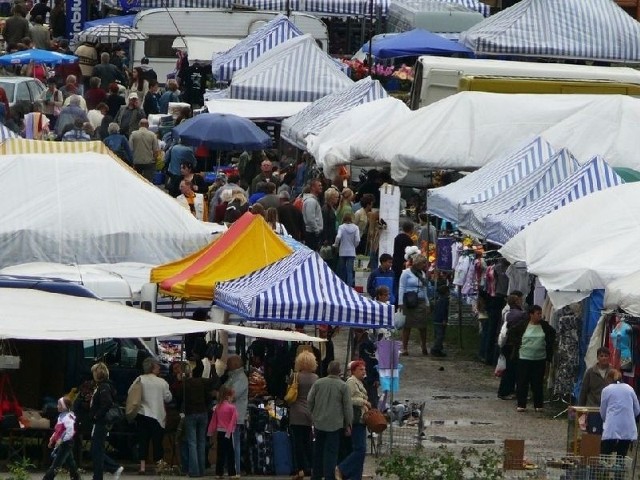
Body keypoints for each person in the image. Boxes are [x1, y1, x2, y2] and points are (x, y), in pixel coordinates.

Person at [308, 360, 353, 480]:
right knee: (331, 453)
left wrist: (313, 414)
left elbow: (309, 400)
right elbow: (347, 407)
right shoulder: (343, 386)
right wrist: (348, 424)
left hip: (319, 422)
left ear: (328, 370)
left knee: (318, 451)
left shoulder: (318, 383)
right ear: (339, 372)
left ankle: (316, 476)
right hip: (335, 424)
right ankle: (329, 476)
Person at [506, 305, 556, 412]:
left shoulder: (544, 325)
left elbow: (552, 333)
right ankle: (521, 404)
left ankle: (538, 404)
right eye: (537, 314)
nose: (540, 316)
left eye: (540, 313)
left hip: (539, 358)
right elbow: (511, 332)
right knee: (522, 381)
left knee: (537, 382)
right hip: (524, 357)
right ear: (531, 314)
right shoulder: (523, 325)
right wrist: (517, 344)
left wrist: (548, 346)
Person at [174, 362, 217, 478]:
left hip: (190, 414)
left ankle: (194, 471)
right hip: (202, 413)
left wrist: (179, 381)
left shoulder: (184, 384)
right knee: (202, 442)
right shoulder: (202, 382)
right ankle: (202, 470)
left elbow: (178, 397)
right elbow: (214, 384)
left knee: (192, 443)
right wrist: (213, 367)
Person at [133, 357, 172, 475]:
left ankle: (142, 467)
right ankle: (158, 465)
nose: (159, 367)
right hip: (157, 415)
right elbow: (168, 398)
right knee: (157, 442)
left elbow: (131, 392)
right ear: (152, 367)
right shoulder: (162, 382)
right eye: (157, 365)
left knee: (143, 440)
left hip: (142, 414)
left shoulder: (139, 379)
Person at [89, 363, 124, 480]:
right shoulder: (106, 386)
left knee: (96, 449)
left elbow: (107, 403)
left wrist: (96, 415)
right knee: (96, 449)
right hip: (102, 422)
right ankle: (99, 475)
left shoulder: (103, 387)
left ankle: (113, 468)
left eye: (94, 372)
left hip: (101, 422)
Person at [336, 361, 370, 480]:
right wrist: (364, 402)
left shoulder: (359, 382)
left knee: (360, 450)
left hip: (361, 418)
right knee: (360, 449)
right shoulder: (351, 382)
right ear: (354, 371)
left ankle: (355, 476)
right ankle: (342, 468)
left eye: (364, 369)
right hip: (355, 419)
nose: (364, 371)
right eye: (361, 369)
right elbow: (348, 399)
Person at [289, 350, 319, 480]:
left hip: (296, 412)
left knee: (298, 443)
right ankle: (313, 467)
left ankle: (300, 469)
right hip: (310, 413)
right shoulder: (316, 378)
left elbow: (289, 392)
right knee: (308, 442)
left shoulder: (296, 376)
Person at [600, 369, 640, 462]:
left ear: (608, 379)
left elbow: (603, 410)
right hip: (627, 427)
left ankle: (604, 474)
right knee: (621, 456)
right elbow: (637, 409)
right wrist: (629, 416)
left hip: (612, 427)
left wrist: (606, 420)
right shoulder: (630, 388)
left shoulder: (606, 390)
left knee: (605, 453)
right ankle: (618, 474)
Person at [398, 254, 430, 356]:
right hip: (409, 300)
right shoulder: (406, 273)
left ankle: (424, 346)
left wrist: (427, 302)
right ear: (417, 263)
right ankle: (404, 347)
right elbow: (401, 287)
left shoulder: (422, 274)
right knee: (407, 325)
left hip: (420, 300)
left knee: (423, 325)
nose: (424, 265)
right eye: (423, 263)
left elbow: (424, 288)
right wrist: (400, 302)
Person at [497, 292, 527, 400]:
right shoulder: (518, 314)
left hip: (507, 344)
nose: (522, 301)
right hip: (512, 345)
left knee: (509, 369)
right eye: (520, 299)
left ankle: (507, 390)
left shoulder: (508, 312)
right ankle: (505, 391)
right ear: (516, 301)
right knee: (511, 369)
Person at [578, 346, 614, 434]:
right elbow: (584, 391)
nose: (604, 358)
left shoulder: (613, 372)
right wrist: (580, 408)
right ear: (598, 357)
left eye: (606, 356)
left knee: (606, 433)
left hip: (608, 408)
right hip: (593, 407)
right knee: (593, 433)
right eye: (601, 356)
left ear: (609, 357)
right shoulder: (590, 372)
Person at [43, 397, 80, 480]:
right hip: (63, 442)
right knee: (71, 463)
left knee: (56, 464)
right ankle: (76, 478)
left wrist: (61, 440)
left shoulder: (68, 417)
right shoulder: (61, 416)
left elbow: (70, 431)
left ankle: (47, 478)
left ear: (65, 406)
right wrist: (52, 439)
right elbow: (58, 430)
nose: (57, 406)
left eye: (59, 404)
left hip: (66, 442)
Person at [223, 355, 248, 476]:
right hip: (229, 415)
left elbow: (232, 395)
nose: (227, 366)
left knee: (234, 443)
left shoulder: (241, 378)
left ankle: (236, 469)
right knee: (232, 442)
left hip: (235, 415)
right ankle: (232, 468)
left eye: (228, 364)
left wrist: (220, 394)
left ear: (235, 365)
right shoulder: (233, 377)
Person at [207, 386, 238, 478]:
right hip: (228, 432)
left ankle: (218, 473)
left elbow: (213, 421)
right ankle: (232, 473)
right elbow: (233, 421)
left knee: (220, 453)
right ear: (229, 396)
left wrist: (210, 432)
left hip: (219, 432)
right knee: (230, 453)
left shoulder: (218, 407)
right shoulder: (232, 408)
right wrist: (229, 432)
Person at [334, 212, 360, 287]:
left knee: (342, 270)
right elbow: (357, 240)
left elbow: (338, 237)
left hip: (342, 251)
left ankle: (341, 285)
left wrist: (336, 244)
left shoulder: (341, 227)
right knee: (350, 271)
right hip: (351, 252)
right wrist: (354, 246)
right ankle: (349, 286)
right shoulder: (356, 228)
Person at [392, 221, 415, 303]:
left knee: (396, 285)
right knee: (402, 286)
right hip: (404, 266)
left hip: (395, 264)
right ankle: (400, 302)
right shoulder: (409, 241)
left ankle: (394, 302)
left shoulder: (397, 237)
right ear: (411, 230)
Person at [302, 179, 323, 251]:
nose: (321, 187)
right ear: (313, 187)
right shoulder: (311, 201)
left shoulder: (314, 200)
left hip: (313, 233)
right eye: (319, 185)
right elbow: (310, 219)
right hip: (312, 234)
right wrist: (316, 230)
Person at [430, 284, 450, 357]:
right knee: (440, 336)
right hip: (440, 320)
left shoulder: (438, 299)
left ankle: (439, 349)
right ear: (446, 292)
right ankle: (435, 349)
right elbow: (443, 311)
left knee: (438, 335)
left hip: (436, 319)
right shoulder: (444, 300)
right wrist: (444, 319)